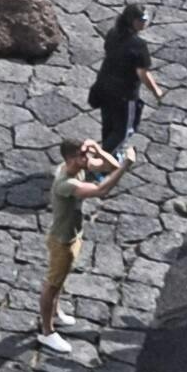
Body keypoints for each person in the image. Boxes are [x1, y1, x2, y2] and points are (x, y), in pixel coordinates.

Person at [34, 133, 130, 356]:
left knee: (59, 281)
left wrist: (97, 149)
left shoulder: (77, 166)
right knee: (52, 284)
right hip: (62, 242)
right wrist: (125, 167)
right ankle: (47, 332)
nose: (86, 159)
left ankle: (56, 312)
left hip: (72, 236)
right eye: (81, 156)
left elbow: (109, 166)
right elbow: (101, 190)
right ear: (69, 159)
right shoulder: (65, 183)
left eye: (86, 154)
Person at [89, 7, 158, 158]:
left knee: (108, 126)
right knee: (123, 131)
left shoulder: (112, 34)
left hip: (104, 87)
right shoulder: (139, 45)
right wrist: (156, 92)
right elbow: (142, 73)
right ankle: (100, 162)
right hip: (124, 94)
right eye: (143, 20)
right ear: (134, 22)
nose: (145, 23)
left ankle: (110, 156)